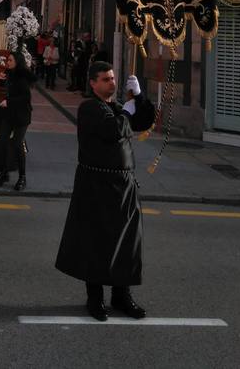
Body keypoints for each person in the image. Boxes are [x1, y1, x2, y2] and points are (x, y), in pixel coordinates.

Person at [55, 62, 155, 322]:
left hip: (124, 186)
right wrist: (128, 112)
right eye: (105, 79)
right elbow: (113, 130)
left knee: (127, 244)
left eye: (113, 78)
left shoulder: (116, 107)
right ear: (92, 83)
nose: (112, 83)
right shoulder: (89, 108)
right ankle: (95, 298)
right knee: (97, 243)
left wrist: (140, 98)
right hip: (97, 186)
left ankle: (122, 295)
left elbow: (143, 122)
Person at [0, 50, 36, 191]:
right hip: (9, 115)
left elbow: (25, 98)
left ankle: (22, 176)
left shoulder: (22, 77)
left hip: (21, 116)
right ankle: (5, 173)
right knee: (3, 142)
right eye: (7, 60)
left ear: (17, 62)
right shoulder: (10, 73)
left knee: (17, 144)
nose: (7, 62)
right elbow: (9, 87)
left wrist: (8, 102)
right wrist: (0, 82)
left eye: (10, 60)